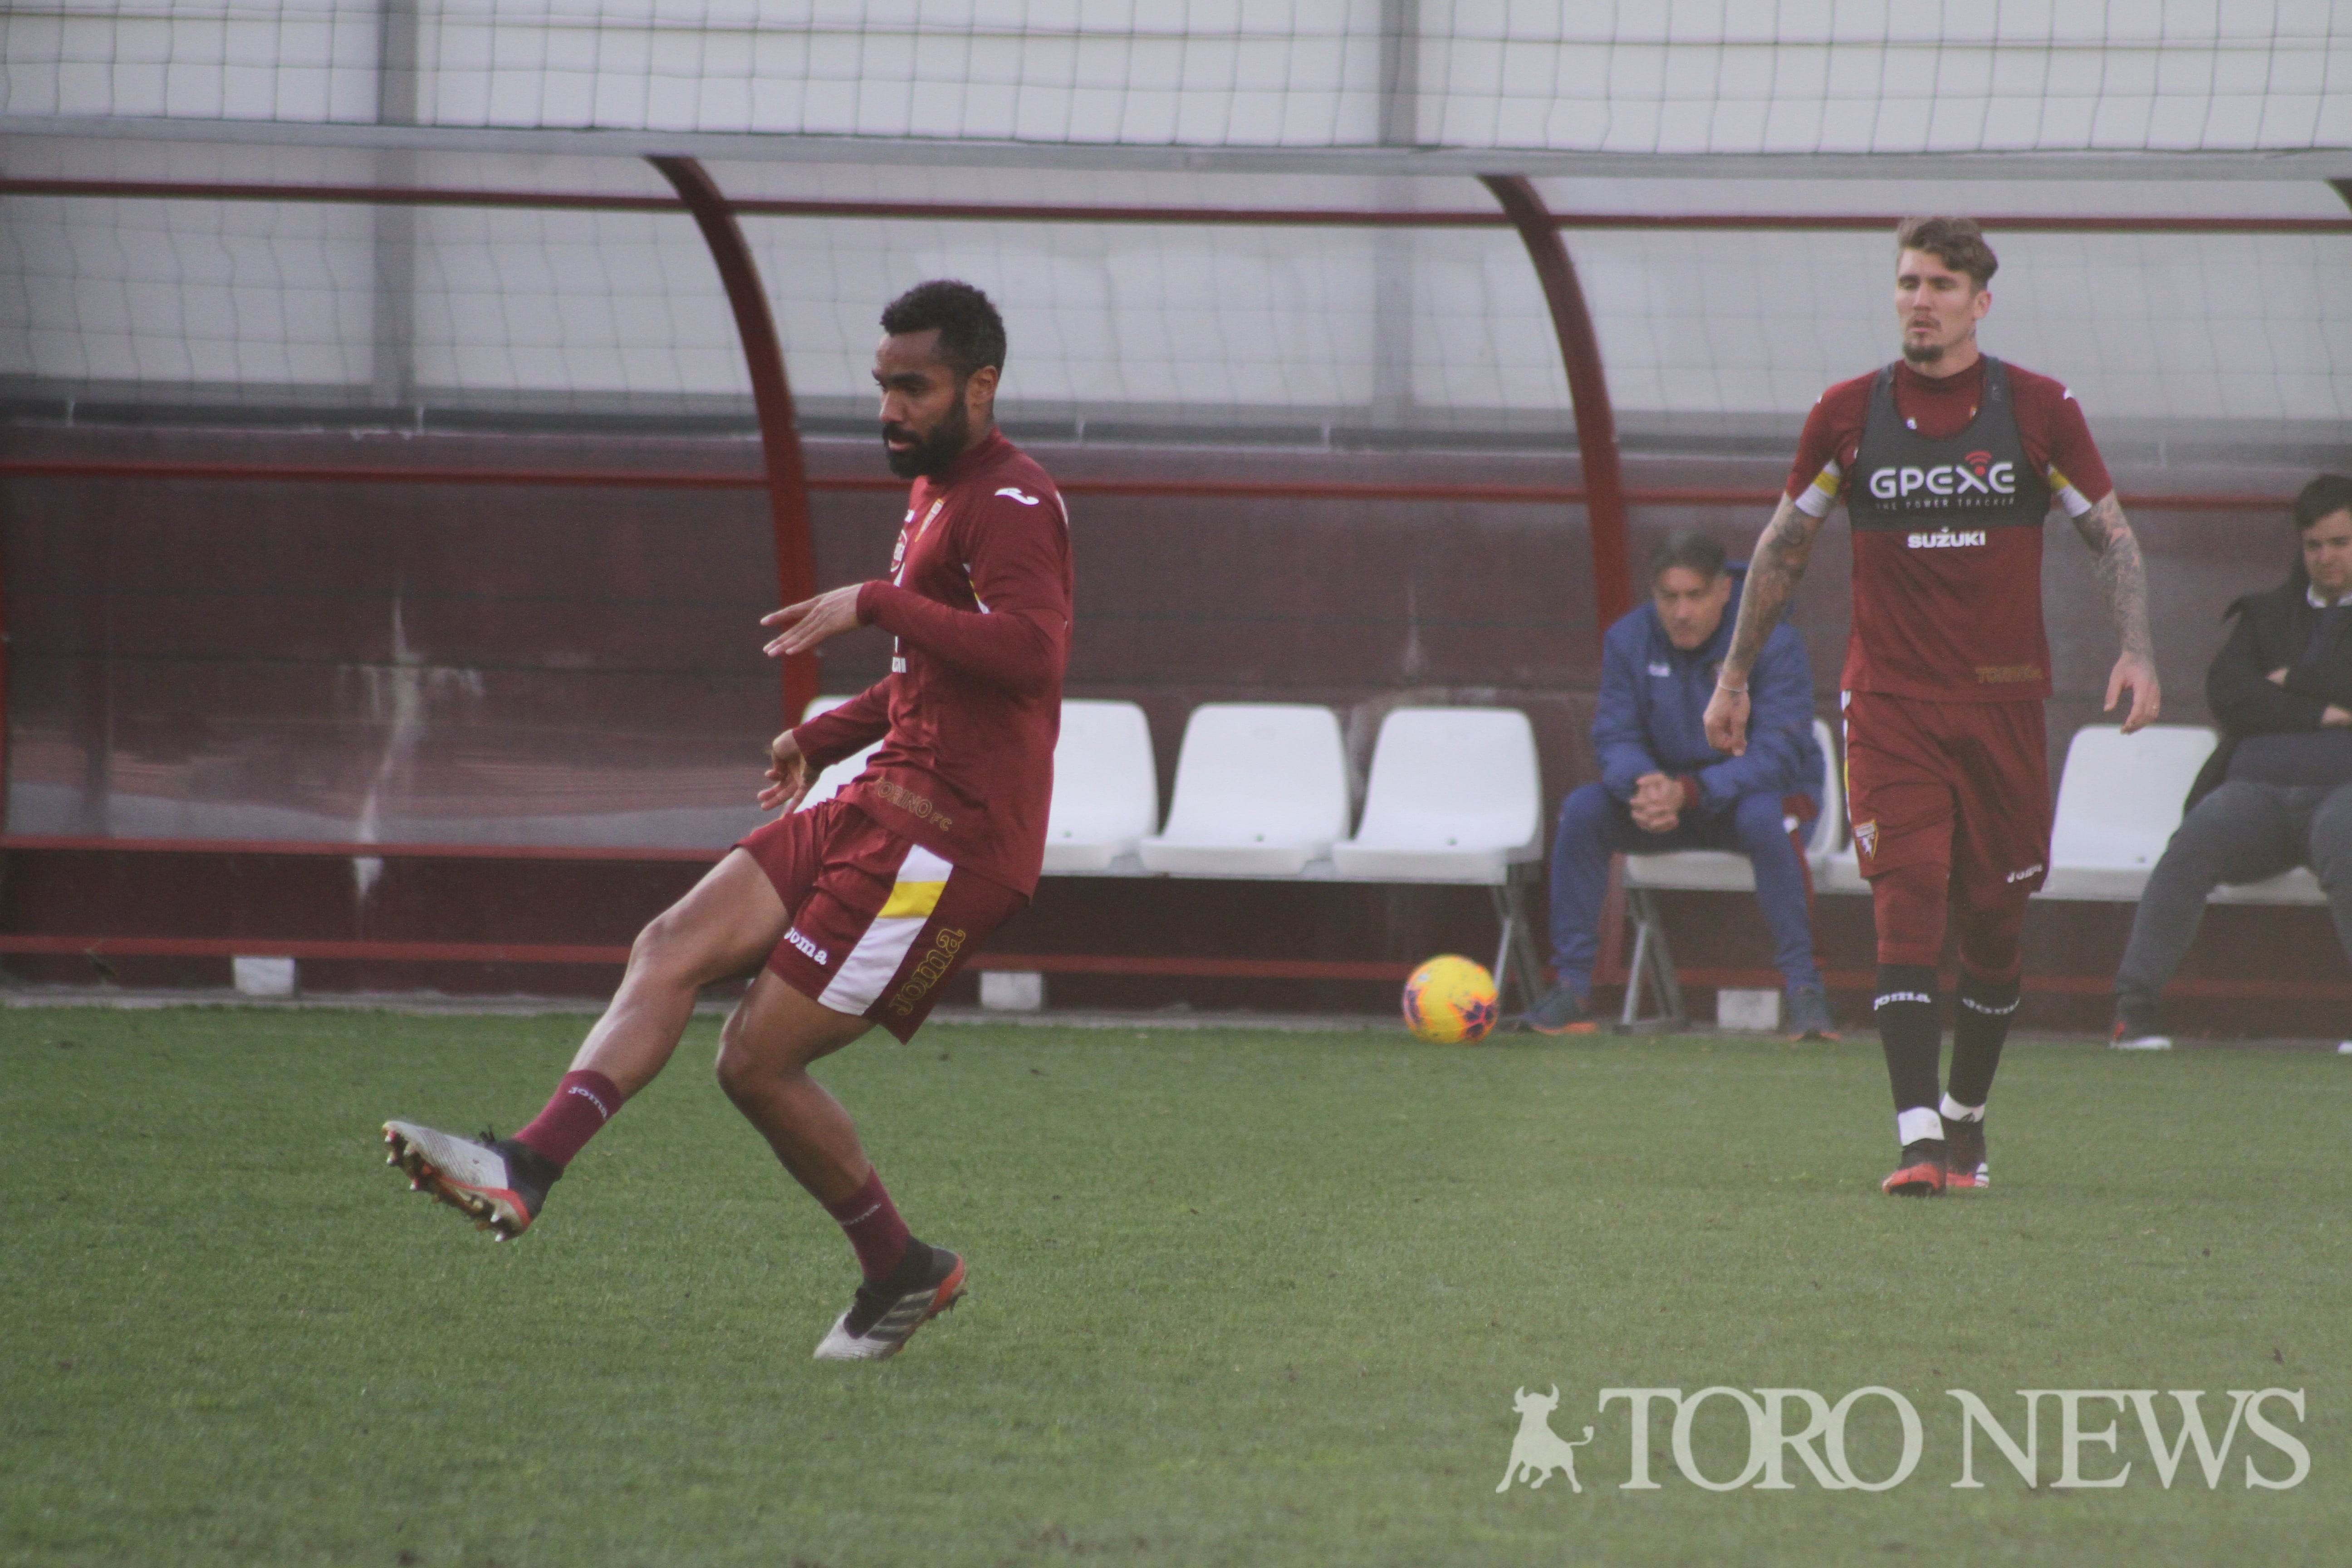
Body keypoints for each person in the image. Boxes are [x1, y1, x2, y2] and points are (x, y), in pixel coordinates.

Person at [382, 279, 1073, 1361]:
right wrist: (826, 734)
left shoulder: (1014, 500)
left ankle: (903, 1267)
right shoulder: (934, 490)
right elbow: (934, 678)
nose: (889, 409)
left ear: (980, 387)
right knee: (669, 945)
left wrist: (876, 601)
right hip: (880, 796)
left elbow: (1032, 653)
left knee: (753, 1060)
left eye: (914, 387)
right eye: (883, 385)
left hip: (949, 845)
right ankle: (527, 1164)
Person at [1703, 216, 2159, 1196]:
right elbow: (1783, 546)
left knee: (1993, 922)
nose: (1920, 300)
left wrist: (2136, 651)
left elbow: (2110, 538)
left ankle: (1965, 1116)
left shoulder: (2038, 409)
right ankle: (1916, 1140)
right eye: (1908, 282)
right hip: (1889, 702)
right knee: (1905, 898)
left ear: (1979, 303)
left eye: (1941, 286)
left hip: (2002, 705)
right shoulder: (1844, 414)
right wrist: (1732, 677)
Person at [1524, 530, 1834, 1039]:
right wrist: (1644, 784)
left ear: (1725, 591)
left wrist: (1690, 791)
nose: (1682, 612)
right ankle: (1572, 989)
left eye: (1694, 596)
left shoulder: (1773, 641)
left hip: (1751, 802)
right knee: (1583, 810)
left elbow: (1779, 753)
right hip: (1667, 804)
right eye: (1669, 597)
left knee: (1769, 817)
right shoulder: (1628, 639)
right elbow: (1615, 735)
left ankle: (1805, 990)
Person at [2112, 475, 2352, 1049]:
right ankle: (2133, 1011)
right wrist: (2326, 711)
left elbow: (2266, 692)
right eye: (2314, 545)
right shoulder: (2267, 614)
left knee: (2347, 839)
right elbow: (2230, 693)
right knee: (2192, 844)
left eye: (2341, 543)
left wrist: (2295, 679)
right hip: (2256, 793)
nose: (2326, 558)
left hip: (2343, 793)